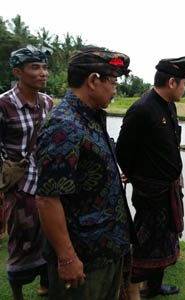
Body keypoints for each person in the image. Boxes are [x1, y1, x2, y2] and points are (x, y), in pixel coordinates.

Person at [35, 47, 134, 299]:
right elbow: (48, 198)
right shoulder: (64, 126)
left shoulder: (89, 117)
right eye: (112, 82)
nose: (114, 90)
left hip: (106, 247)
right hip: (85, 255)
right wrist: (67, 258)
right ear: (93, 81)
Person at [116, 56, 185, 298]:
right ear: (172, 82)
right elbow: (123, 151)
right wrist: (138, 177)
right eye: (184, 83)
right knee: (146, 239)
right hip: (151, 191)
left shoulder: (169, 106)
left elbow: (170, 145)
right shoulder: (142, 109)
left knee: (164, 238)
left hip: (169, 187)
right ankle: (134, 286)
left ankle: (153, 286)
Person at [2, 46, 54, 300]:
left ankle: (46, 285)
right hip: (19, 189)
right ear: (18, 72)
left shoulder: (47, 102)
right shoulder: (4, 105)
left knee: (49, 236)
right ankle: (17, 293)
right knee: (20, 241)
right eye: (35, 67)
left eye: (44, 67)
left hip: (45, 184)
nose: (42, 73)